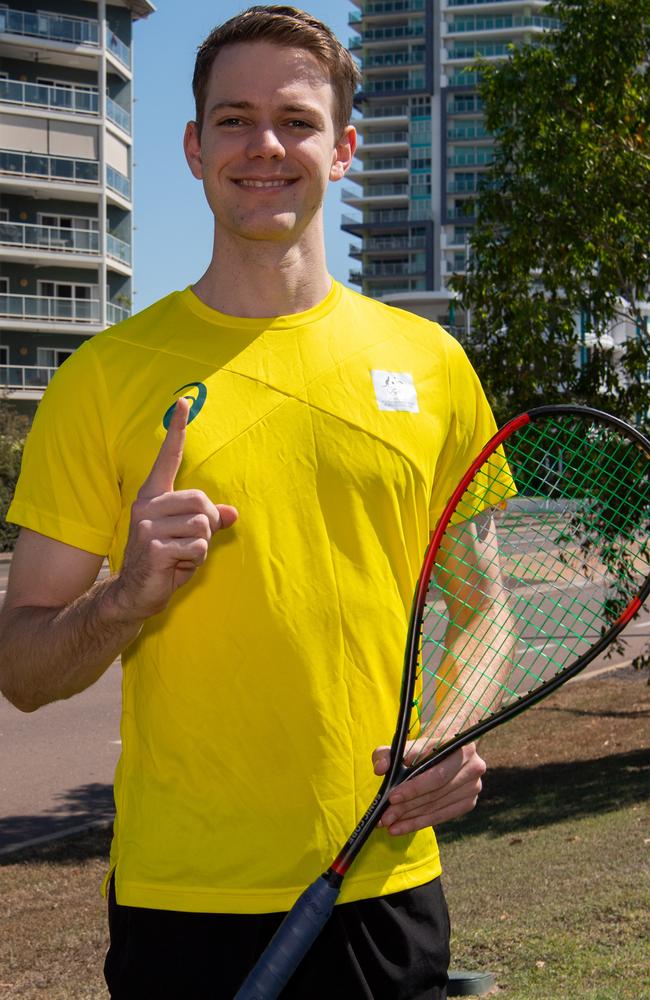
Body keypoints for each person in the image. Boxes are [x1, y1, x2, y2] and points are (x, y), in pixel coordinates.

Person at [0, 7, 495, 998]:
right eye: (232, 119)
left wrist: (456, 725)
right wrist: (126, 595)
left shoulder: (429, 364)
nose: (264, 145)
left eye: (296, 121)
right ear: (191, 147)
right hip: (182, 900)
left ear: (345, 148)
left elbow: (484, 608)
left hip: (384, 879)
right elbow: (22, 664)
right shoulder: (103, 378)